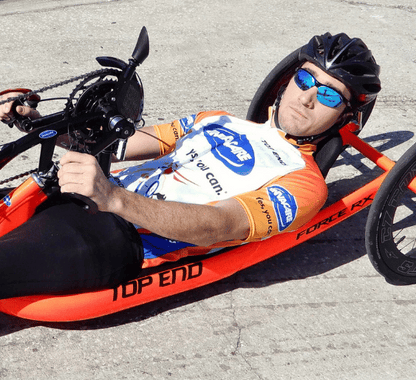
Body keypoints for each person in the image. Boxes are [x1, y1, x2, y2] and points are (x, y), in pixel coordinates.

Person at [0, 32, 381, 299]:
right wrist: (34, 121)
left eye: (329, 94)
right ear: (288, 81)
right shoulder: (216, 119)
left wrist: (115, 198)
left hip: (118, 237)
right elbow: (118, 144)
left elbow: (220, 226)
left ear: (347, 116)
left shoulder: (304, 184)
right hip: (78, 193)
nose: (309, 97)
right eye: (306, 78)